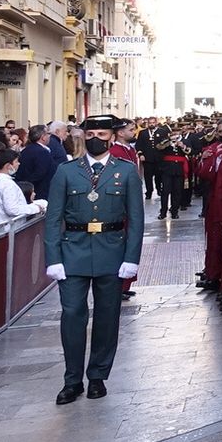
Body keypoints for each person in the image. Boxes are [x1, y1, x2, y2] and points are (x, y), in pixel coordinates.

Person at [44, 114, 145, 405]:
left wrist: (131, 258)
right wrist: (53, 258)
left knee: (107, 316)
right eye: (91, 134)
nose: (96, 139)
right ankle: (72, 379)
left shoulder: (125, 171)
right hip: (73, 250)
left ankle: (98, 376)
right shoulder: (66, 171)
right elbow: (53, 219)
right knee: (72, 314)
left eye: (102, 134)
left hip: (112, 249)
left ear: (112, 137)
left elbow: (136, 219)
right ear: (82, 137)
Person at [0, 147, 46, 225]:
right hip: (9, 229)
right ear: (8, 165)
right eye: (16, 161)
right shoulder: (7, 184)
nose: (19, 163)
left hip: (0, 225)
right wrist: (36, 208)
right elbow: (13, 209)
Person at [18, 124, 59, 199]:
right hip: (41, 192)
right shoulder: (41, 152)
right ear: (43, 137)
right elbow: (40, 173)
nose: (49, 136)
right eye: (48, 134)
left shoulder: (26, 150)